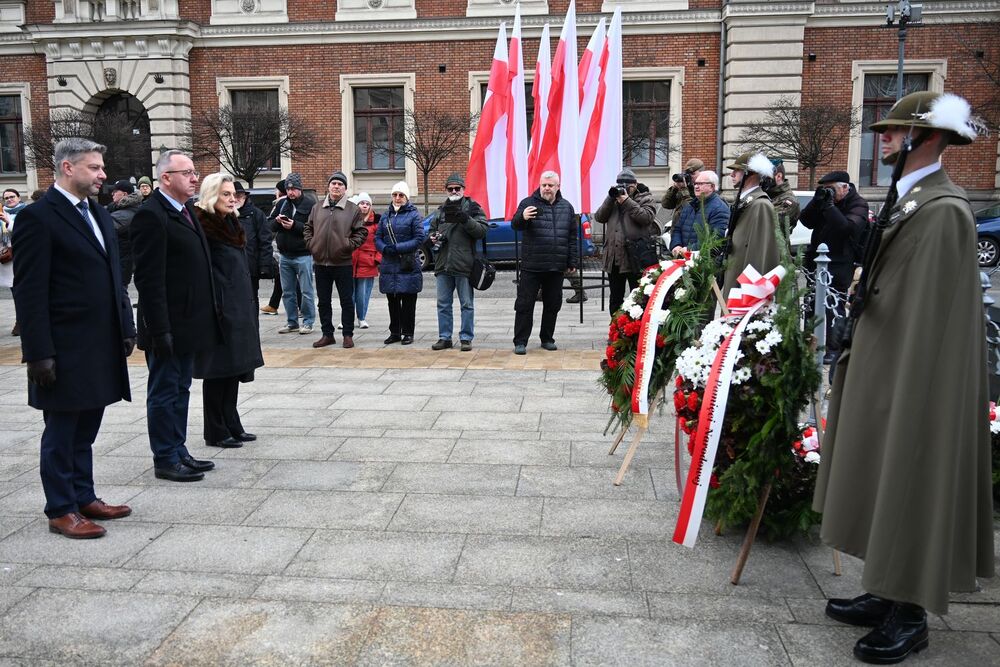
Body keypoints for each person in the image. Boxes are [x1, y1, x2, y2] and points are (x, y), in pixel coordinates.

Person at [813, 91, 994, 665]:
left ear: (930, 137)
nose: (883, 136)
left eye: (895, 130)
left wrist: (910, 385)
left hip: (915, 374)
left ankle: (910, 610)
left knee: (909, 472)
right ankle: (886, 587)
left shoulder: (943, 209)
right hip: (886, 359)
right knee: (879, 470)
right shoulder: (910, 198)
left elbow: (933, 315)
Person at [11, 138, 135, 539]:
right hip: (63, 348)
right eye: (94, 168)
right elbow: (29, 291)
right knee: (62, 431)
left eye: (101, 168)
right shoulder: (38, 218)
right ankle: (61, 508)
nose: (103, 175)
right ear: (68, 168)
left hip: (100, 343)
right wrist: (38, 353)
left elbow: (114, 277)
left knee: (88, 427)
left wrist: (126, 326)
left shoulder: (96, 214)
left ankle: (84, 496)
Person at [131, 149, 222, 482]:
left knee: (181, 388)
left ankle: (179, 448)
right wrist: (159, 329)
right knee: (163, 390)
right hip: (166, 325)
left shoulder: (186, 211)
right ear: (166, 178)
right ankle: (165, 457)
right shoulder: (151, 215)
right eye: (187, 172)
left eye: (194, 172)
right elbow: (149, 280)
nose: (194, 177)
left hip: (188, 323)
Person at [192, 174, 264, 448]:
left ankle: (232, 421)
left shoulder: (232, 222)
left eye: (233, 193)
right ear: (212, 195)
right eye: (225, 194)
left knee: (234, 368)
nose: (232, 198)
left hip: (238, 304)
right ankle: (215, 429)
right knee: (217, 370)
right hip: (219, 307)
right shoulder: (204, 226)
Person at [799, 170, 870, 363]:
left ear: (845, 187)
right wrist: (817, 200)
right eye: (825, 189)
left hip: (841, 262)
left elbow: (847, 228)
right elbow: (806, 221)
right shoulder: (825, 200)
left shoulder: (859, 204)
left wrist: (830, 207)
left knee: (834, 305)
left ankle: (834, 347)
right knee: (812, 302)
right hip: (817, 260)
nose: (828, 193)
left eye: (831, 189)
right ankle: (809, 343)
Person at [510, 170, 578, 355]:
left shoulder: (567, 207)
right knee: (525, 304)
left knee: (553, 304)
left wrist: (572, 260)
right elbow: (515, 225)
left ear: (558, 187)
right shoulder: (527, 203)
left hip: (556, 266)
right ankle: (520, 341)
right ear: (540, 185)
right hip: (532, 265)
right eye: (544, 185)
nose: (546, 188)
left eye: (550, 185)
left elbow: (572, 236)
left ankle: (547, 338)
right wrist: (522, 217)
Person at [305, 171, 366, 349]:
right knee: (323, 301)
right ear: (329, 186)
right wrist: (312, 244)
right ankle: (327, 334)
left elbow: (361, 232)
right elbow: (308, 228)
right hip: (321, 263)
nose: (336, 186)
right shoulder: (317, 208)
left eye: (340, 184)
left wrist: (347, 245)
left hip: (343, 262)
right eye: (334, 183)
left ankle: (347, 334)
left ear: (345, 188)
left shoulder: (352, 209)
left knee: (346, 300)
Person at [428, 172, 488, 352]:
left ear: (463, 189)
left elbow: (482, 231)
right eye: (450, 188)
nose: (454, 191)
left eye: (457, 188)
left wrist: (465, 219)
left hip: (464, 263)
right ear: (446, 190)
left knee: (466, 304)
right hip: (443, 264)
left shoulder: (473, 208)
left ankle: (466, 338)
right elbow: (431, 232)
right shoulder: (440, 210)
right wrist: (433, 238)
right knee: (443, 303)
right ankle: (444, 337)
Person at [593, 168, 659, 315]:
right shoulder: (613, 200)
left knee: (639, 298)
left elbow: (646, 218)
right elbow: (599, 217)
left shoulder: (645, 198)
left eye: (627, 185)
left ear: (635, 184)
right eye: (620, 184)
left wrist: (627, 201)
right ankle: (616, 331)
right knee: (615, 298)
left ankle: (636, 332)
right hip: (615, 258)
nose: (623, 188)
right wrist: (610, 199)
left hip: (635, 257)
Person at [721, 152, 779, 297]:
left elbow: (759, 254)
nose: (732, 175)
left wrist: (750, 291)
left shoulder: (760, 205)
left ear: (750, 174)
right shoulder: (746, 201)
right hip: (735, 269)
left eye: (737, 170)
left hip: (745, 280)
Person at [375, 181, 424, 345]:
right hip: (389, 264)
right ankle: (394, 332)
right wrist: (384, 248)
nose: (397, 198)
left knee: (409, 300)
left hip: (407, 263)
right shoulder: (385, 215)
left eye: (401, 195)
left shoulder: (414, 215)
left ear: (406, 197)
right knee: (392, 300)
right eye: (395, 195)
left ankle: (408, 332)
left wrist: (397, 248)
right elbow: (377, 237)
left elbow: (418, 239)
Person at [271, 172, 316, 335]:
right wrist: (277, 222)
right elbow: (270, 225)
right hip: (285, 255)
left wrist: (295, 225)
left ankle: (309, 321)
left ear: (300, 189)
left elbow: (314, 228)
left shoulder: (310, 204)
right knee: (288, 291)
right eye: (288, 189)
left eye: (294, 189)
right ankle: (292, 322)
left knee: (306, 291)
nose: (290, 192)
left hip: (303, 254)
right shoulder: (282, 204)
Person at [233, 180, 274, 314]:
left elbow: (265, 241)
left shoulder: (256, 214)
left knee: (251, 300)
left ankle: (253, 331)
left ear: (245, 197)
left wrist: (264, 266)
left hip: (250, 266)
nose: (235, 199)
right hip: (231, 268)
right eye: (233, 196)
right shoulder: (226, 214)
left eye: (239, 196)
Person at [669, 170, 729, 256]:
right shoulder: (690, 206)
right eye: (696, 183)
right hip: (684, 259)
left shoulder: (720, 209)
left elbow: (716, 240)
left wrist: (689, 250)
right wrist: (676, 246)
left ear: (712, 187)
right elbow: (677, 229)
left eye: (701, 184)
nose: (696, 186)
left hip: (704, 263)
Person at [261, 179, 291, 315]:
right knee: (282, 276)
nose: (275, 192)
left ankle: (301, 306)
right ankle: (273, 304)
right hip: (281, 244)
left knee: (287, 277)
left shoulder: (281, 203)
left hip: (279, 245)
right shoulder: (286, 202)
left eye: (276, 189)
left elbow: (270, 225)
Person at [350, 192, 380, 330]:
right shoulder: (350, 220)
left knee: (362, 294)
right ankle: (347, 318)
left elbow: (380, 241)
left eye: (367, 204)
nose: (364, 206)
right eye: (362, 203)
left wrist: (377, 259)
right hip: (350, 261)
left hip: (367, 262)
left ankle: (361, 318)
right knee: (348, 293)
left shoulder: (375, 223)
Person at [106, 179, 142, 289]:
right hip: (117, 262)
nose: (112, 194)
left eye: (115, 191)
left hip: (120, 264)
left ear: (124, 194)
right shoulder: (117, 208)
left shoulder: (127, 214)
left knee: (120, 297)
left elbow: (104, 227)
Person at [1, 188, 27, 336]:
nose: (9, 199)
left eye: (12, 197)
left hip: (22, 256)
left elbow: (23, 232)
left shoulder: (26, 213)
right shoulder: (1, 214)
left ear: (18, 197)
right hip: (8, 259)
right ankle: (20, 321)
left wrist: (8, 222)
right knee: (15, 291)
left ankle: (22, 321)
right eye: (6, 198)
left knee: (21, 291)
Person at [661, 158, 704, 231]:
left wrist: (684, 190)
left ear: (702, 173)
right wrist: (674, 189)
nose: (689, 176)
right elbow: (666, 204)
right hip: (677, 233)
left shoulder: (703, 190)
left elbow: (691, 210)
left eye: (693, 174)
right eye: (688, 174)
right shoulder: (683, 188)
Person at [764, 159, 801, 235]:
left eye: (766, 177)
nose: (762, 180)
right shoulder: (768, 196)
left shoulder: (790, 201)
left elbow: (768, 225)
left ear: (778, 176)